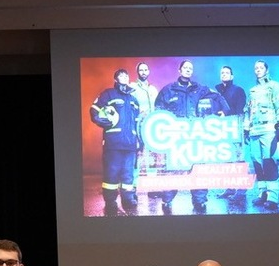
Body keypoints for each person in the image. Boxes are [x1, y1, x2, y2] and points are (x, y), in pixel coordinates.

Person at [153, 60, 230, 214]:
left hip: (195, 138)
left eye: (190, 68)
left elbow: (218, 96)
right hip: (175, 139)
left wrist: (225, 110)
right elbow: (158, 111)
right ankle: (167, 200)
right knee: (172, 170)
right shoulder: (168, 90)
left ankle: (199, 201)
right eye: (185, 68)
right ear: (179, 70)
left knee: (199, 169)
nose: (188, 70)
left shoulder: (199, 89)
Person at [89, 69, 141, 216]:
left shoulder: (133, 100)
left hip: (130, 144)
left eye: (126, 75)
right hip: (113, 143)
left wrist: (139, 141)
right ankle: (111, 202)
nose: (124, 77)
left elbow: (137, 123)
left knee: (128, 175)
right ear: (116, 78)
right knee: (111, 174)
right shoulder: (108, 94)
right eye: (121, 75)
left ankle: (128, 199)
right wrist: (101, 120)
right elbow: (94, 109)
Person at [244, 59, 279, 210]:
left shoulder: (274, 86)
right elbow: (247, 111)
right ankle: (262, 193)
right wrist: (246, 128)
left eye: (261, 67)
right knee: (257, 163)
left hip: (269, 129)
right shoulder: (252, 91)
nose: (258, 69)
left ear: (266, 70)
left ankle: (273, 197)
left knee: (269, 163)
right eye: (256, 68)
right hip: (254, 130)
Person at [216, 65, 247, 200]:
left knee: (238, 158)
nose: (224, 74)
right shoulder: (217, 91)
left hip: (235, 128)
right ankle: (229, 188)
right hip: (222, 130)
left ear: (232, 76)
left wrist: (226, 113)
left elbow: (240, 111)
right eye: (222, 72)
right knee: (226, 160)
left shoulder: (238, 90)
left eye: (227, 72)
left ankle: (241, 189)